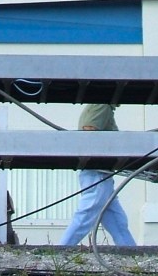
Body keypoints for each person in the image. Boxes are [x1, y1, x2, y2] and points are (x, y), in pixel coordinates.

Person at [59, 104, 136, 246]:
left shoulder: (104, 107)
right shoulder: (102, 105)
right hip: (98, 174)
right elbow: (89, 130)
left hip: (102, 175)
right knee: (85, 216)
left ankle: (131, 253)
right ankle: (60, 251)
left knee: (117, 220)